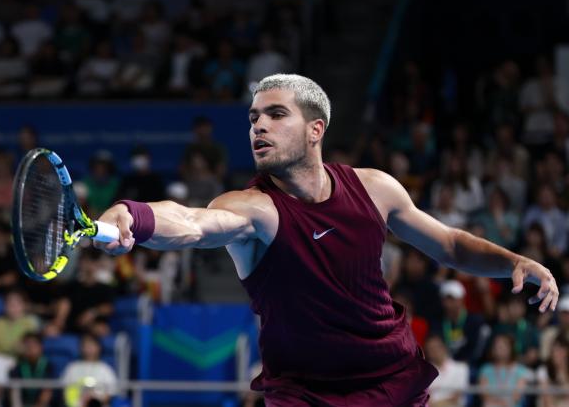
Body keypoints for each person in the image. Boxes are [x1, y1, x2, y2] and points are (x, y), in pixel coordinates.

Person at [95, 74, 558, 406]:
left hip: (390, 379)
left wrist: (512, 261)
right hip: (305, 392)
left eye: (276, 114)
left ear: (316, 129)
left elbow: (450, 245)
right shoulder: (254, 208)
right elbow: (193, 223)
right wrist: (135, 215)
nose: (258, 126)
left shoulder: (374, 188)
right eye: (254, 117)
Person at [479, 334, 531, 407]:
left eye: (503, 346)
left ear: (511, 348)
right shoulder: (486, 369)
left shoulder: (521, 370)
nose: (500, 349)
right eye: (497, 347)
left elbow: (517, 396)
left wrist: (504, 404)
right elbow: (484, 395)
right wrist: (498, 403)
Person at [9, 333, 55, 407]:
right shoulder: (17, 368)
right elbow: (14, 393)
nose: (30, 348)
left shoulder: (48, 366)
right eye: (27, 345)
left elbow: (47, 392)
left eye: (34, 345)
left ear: (41, 347)